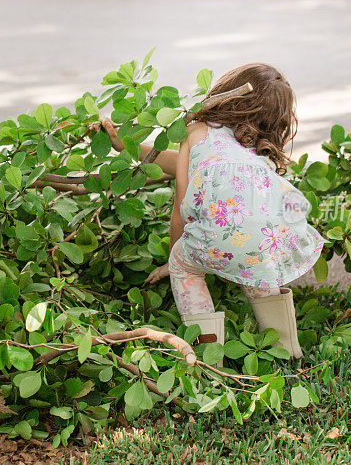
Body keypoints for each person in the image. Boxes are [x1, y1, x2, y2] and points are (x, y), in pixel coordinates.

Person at [101, 63, 324, 358]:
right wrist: (125, 146)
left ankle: (209, 354)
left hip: (217, 241)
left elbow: (181, 206)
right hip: (271, 237)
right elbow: (171, 161)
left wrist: (173, 256)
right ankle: (287, 349)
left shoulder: (196, 130)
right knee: (260, 270)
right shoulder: (257, 144)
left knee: (184, 266)